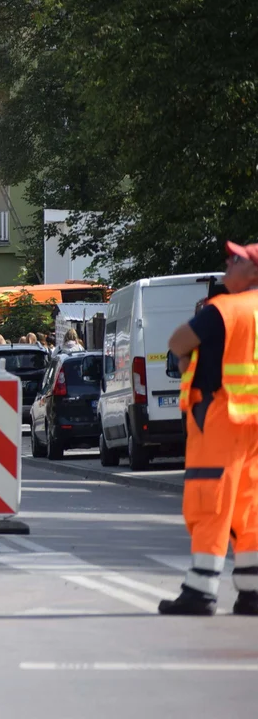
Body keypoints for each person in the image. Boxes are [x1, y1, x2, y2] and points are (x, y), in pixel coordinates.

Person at [158, 241, 258, 616]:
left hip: (220, 416)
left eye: (234, 261)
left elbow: (178, 341)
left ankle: (200, 590)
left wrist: (186, 359)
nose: (226, 266)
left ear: (251, 272)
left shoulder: (224, 310)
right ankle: (252, 591)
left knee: (209, 500)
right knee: (250, 507)